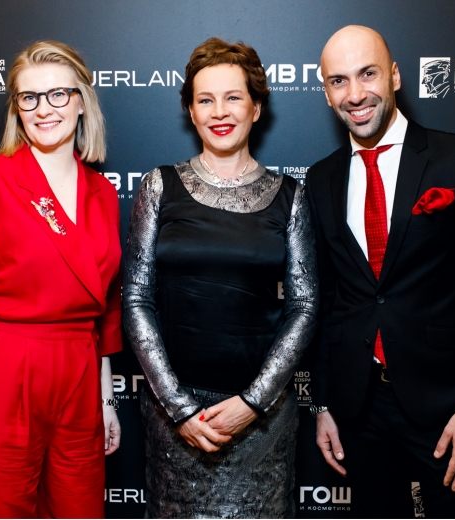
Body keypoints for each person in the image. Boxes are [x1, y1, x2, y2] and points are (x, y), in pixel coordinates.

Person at [306, 26, 455, 518]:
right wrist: (324, 404)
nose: (355, 94)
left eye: (368, 74)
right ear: (326, 92)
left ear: (395, 76)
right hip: (358, 411)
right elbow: (328, 300)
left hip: (448, 408)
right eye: (338, 81)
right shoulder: (321, 178)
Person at [0, 41, 122, 519]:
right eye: (29, 97)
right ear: (17, 108)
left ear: (82, 100)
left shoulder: (102, 192)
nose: (44, 109)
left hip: (79, 377)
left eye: (58, 94)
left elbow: (105, 313)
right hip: (4, 372)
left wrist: (105, 399)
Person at [123, 37, 318, 518]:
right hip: (174, 417)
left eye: (233, 97)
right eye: (205, 100)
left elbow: (304, 306)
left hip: (262, 418)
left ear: (256, 107)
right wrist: (179, 408)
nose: (219, 112)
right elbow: (137, 298)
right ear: (191, 112)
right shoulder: (159, 185)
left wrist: (252, 402)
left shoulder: (290, 195)